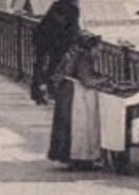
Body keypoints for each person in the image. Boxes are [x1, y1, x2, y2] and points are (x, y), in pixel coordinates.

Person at [48, 31, 112, 170]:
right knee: (82, 126)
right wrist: (104, 80)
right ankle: (82, 159)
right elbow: (87, 80)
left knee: (71, 126)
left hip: (67, 91)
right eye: (98, 47)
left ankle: (73, 158)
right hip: (78, 95)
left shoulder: (74, 54)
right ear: (92, 47)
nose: (100, 50)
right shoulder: (84, 57)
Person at [30, 0, 85, 104]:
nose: (78, 2)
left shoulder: (56, 5)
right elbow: (73, 28)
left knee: (40, 65)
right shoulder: (72, 9)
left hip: (42, 39)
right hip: (56, 43)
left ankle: (37, 92)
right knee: (54, 67)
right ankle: (50, 91)